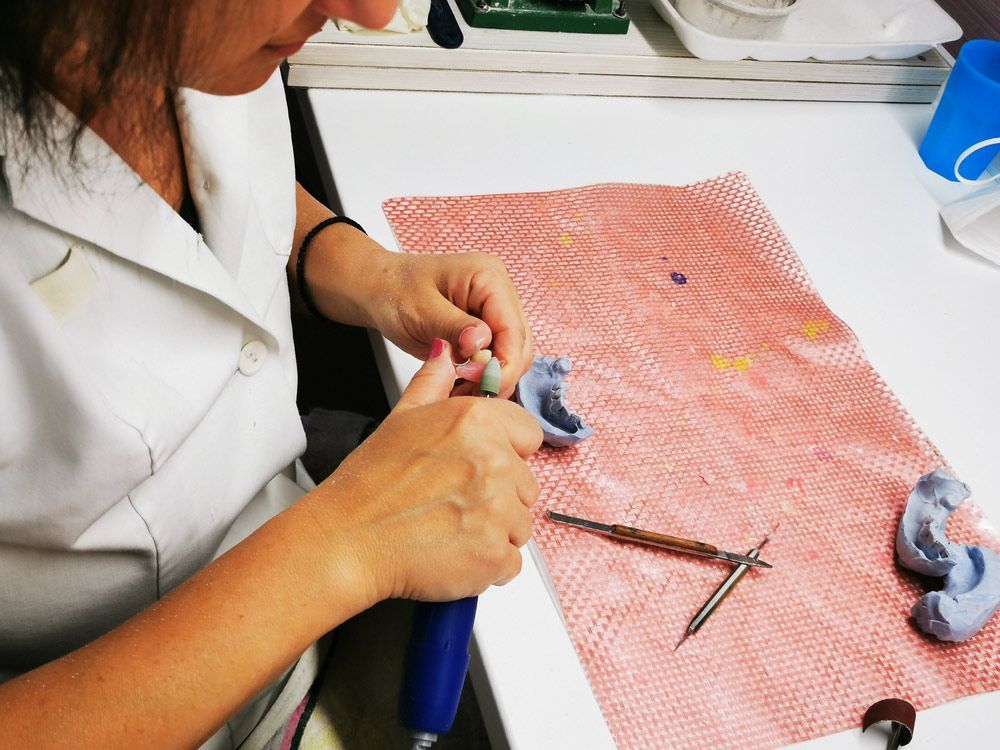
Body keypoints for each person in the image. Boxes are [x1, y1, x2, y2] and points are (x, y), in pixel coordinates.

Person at [0, 1, 543, 747]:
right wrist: (350, 544)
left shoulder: (212, 31)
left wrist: (363, 269)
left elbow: (222, 174)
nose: (375, 14)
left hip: (303, 545)